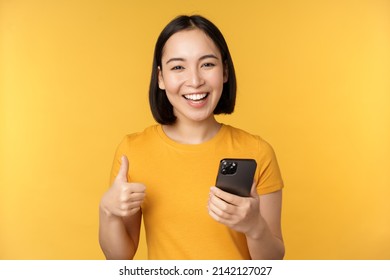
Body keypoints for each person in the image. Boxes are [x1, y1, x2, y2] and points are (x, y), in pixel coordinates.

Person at [99, 15, 285, 260]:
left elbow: (273, 262)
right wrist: (107, 210)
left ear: (225, 71)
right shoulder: (133, 150)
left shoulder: (257, 151)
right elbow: (119, 259)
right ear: (161, 78)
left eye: (207, 64)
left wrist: (254, 226)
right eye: (178, 67)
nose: (195, 81)